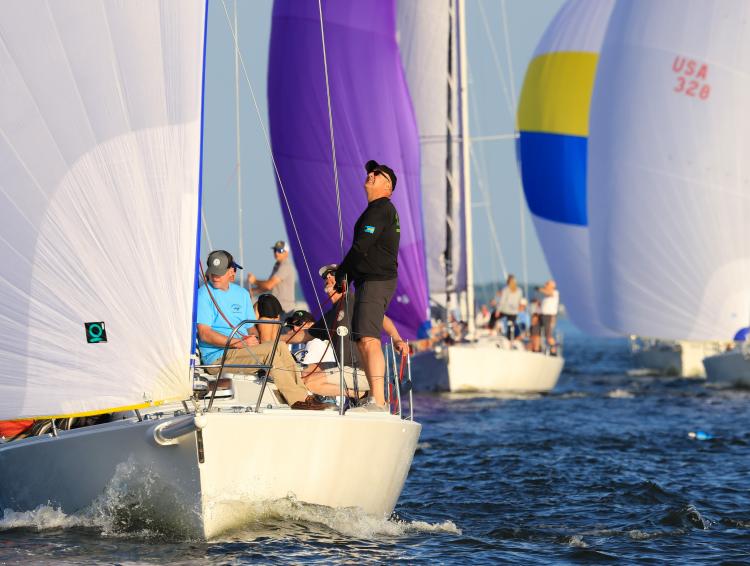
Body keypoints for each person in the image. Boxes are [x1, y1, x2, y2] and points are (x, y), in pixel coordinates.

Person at [197, 250, 325, 410]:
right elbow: (204, 333)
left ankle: (304, 396)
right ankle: (298, 401)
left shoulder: (242, 294)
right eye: (213, 272)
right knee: (271, 351)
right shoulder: (203, 295)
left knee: (280, 346)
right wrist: (238, 342)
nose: (216, 276)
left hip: (242, 350)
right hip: (218, 358)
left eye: (220, 273)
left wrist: (253, 339)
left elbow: (251, 329)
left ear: (231, 271)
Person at [335, 160, 407, 411]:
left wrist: (342, 273)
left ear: (388, 185)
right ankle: (375, 397)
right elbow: (365, 252)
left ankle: (378, 400)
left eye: (377, 173)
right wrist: (349, 277)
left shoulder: (381, 209)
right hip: (369, 280)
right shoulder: (376, 210)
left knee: (368, 339)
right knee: (359, 340)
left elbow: (362, 246)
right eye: (370, 172)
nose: (371, 175)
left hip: (377, 281)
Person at [287, 264, 405, 399]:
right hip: (343, 368)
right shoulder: (330, 314)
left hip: (361, 371)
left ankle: (360, 394)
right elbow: (305, 335)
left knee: (310, 382)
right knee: (304, 373)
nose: (328, 278)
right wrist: (280, 338)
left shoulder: (354, 301)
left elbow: (382, 319)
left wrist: (397, 339)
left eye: (333, 276)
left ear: (343, 282)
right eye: (326, 277)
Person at [247, 240, 296, 314]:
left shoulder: (286, 266)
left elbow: (269, 285)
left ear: (286, 252)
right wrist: (253, 292)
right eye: (275, 250)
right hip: (278, 309)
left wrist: (254, 281)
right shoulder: (277, 265)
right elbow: (269, 286)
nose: (276, 253)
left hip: (285, 310)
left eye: (280, 250)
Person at [497, 274, 523, 339]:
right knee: (511, 325)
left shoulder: (506, 290)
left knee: (494, 318)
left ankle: (492, 331)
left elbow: (502, 301)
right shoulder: (519, 290)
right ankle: (510, 339)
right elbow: (519, 300)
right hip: (514, 312)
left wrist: (498, 310)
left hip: (505, 310)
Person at [539, 279, 560, 353]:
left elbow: (549, 293)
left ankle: (554, 349)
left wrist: (539, 289)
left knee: (548, 334)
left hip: (549, 316)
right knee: (544, 334)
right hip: (544, 316)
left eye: (547, 284)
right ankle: (546, 348)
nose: (545, 285)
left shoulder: (554, 292)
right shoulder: (547, 294)